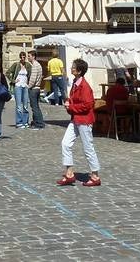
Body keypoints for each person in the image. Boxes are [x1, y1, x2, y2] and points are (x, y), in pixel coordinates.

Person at [57, 58, 102, 187]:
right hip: (75, 119)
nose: (71, 68)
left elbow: (88, 105)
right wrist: (69, 103)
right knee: (65, 143)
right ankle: (69, 173)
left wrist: (71, 107)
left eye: (73, 67)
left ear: (79, 71)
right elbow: (75, 101)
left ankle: (95, 176)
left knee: (88, 148)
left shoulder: (84, 86)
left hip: (84, 120)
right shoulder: (75, 83)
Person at [8, 52, 31, 128]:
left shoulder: (28, 65)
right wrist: (13, 81)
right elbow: (7, 73)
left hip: (25, 86)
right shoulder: (16, 65)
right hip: (18, 86)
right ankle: (19, 122)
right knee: (19, 106)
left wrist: (29, 83)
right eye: (21, 57)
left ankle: (25, 121)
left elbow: (30, 75)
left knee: (25, 105)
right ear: (19, 57)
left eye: (24, 57)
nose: (22, 58)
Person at [27, 51, 45, 129]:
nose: (28, 57)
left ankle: (39, 123)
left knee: (34, 107)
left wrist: (29, 86)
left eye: (29, 56)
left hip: (34, 89)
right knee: (36, 106)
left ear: (33, 56)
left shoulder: (35, 65)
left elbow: (33, 78)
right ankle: (37, 122)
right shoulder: (38, 65)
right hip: (37, 88)